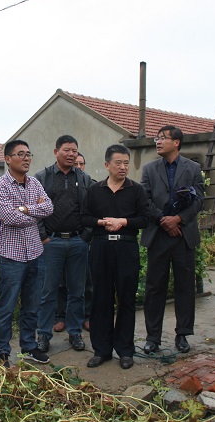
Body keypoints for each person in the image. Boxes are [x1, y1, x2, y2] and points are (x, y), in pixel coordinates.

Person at [81, 144, 149, 369]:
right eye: (118, 163)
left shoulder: (136, 190)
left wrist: (123, 222)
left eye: (126, 163)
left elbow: (145, 219)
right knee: (101, 299)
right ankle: (101, 350)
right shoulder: (95, 190)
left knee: (126, 299)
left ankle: (125, 351)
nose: (123, 167)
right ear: (107, 164)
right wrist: (101, 222)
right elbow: (84, 217)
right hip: (100, 246)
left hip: (126, 247)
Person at [141, 125, 205, 355]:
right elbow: (145, 200)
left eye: (163, 138)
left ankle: (183, 334)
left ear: (176, 142)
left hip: (183, 235)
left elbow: (199, 200)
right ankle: (153, 337)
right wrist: (163, 220)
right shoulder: (149, 169)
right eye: (156, 138)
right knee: (154, 288)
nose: (158, 142)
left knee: (185, 286)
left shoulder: (193, 168)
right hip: (158, 235)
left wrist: (178, 219)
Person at [0, 140, 54, 367]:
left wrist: (25, 209)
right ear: (8, 159)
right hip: (11, 257)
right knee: (6, 307)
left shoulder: (34, 183)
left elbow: (49, 207)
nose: (26, 158)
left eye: (28, 154)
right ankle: (1, 353)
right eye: (21, 154)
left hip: (35, 253)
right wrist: (36, 212)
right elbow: (10, 217)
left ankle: (29, 346)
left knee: (32, 305)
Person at [34, 136, 93, 353]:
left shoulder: (84, 178)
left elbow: (92, 208)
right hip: (52, 242)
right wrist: (44, 237)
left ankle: (75, 333)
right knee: (48, 291)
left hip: (78, 241)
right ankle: (43, 334)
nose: (71, 154)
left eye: (74, 151)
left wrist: (85, 236)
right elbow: (34, 209)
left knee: (77, 291)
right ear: (56, 151)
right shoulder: (42, 178)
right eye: (67, 150)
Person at [54, 152, 92, 332]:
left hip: (82, 240)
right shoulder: (55, 180)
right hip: (59, 239)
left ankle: (86, 315)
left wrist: (86, 235)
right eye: (76, 163)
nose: (78, 166)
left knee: (86, 281)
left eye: (81, 163)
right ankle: (61, 316)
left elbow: (95, 209)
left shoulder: (89, 183)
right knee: (61, 281)